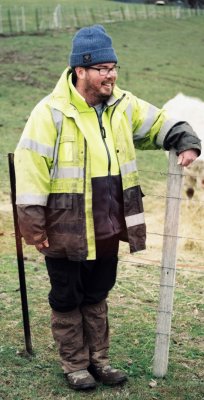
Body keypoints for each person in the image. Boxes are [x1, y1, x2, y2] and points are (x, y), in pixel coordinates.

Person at [14, 25, 201, 391]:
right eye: (102, 67)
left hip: (108, 224)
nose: (111, 74)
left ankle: (99, 361)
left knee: (98, 292)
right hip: (64, 225)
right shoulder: (50, 112)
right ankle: (75, 365)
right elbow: (30, 166)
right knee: (67, 296)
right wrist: (33, 225)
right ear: (79, 70)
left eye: (113, 66)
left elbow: (160, 125)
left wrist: (186, 140)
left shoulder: (123, 105)